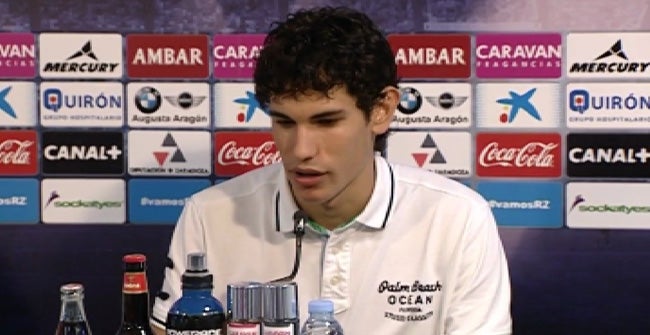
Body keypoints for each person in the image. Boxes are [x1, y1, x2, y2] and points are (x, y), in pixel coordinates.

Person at [150, 6, 511, 335]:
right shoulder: (209, 216)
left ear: (381, 110)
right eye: (284, 122)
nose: (300, 150)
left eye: (326, 121)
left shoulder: (458, 219)